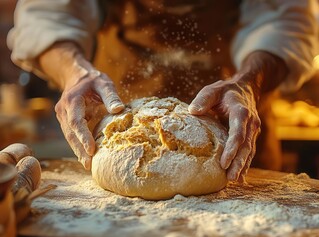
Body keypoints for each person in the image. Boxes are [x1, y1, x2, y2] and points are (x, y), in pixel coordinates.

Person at [7, 0, 319, 182]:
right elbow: (47, 15)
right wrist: (74, 72)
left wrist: (248, 82)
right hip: (121, 126)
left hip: (236, 138)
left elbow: (284, 22)